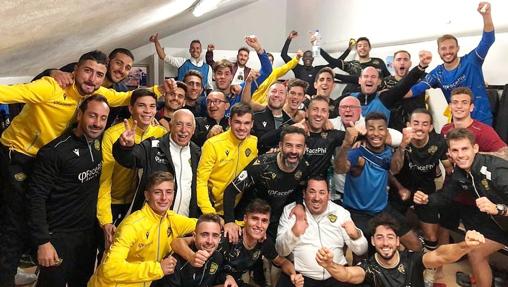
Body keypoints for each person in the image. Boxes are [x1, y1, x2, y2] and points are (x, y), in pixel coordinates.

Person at [0, 50, 167, 286]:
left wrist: (160, 90)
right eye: (88, 71)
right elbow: (9, 92)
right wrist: (50, 73)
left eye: (99, 74)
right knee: (15, 225)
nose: (92, 79)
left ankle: (24, 261)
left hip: (46, 159)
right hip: (16, 154)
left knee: (34, 219)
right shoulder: (51, 87)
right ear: (75, 70)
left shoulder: (96, 94)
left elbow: (124, 98)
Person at [25, 95, 109, 286]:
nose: (97, 123)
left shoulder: (97, 143)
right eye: (92, 116)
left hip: (86, 237)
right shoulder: (54, 152)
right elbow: (35, 198)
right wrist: (43, 242)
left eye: (103, 118)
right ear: (79, 115)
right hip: (58, 238)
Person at [414, 128, 508, 287]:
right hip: (499, 223)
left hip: (501, 216)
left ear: (475, 148)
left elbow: (498, 207)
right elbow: (446, 196)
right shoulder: (460, 171)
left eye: (465, 149)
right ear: (449, 153)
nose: (461, 155)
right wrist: (426, 199)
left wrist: (498, 208)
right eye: (455, 150)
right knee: (475, 252)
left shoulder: (496, 170)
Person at [88, 171, 197, 287]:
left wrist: (191, 240)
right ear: (147, 195)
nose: (164, 198)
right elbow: (110, 269)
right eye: (157, 192)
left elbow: (204, 224)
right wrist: (158, 268)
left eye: (169, 192)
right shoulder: (132, 226)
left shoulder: (172, 219)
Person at [315, 213, 487, 286]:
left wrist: (465, 245)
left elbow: (442, 255)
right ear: (373, 242)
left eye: (390, 237)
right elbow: (347, 275)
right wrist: (329, 265)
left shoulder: (413, 259)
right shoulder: (368, 268)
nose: (385, 243)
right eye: (380, 238)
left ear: (398, 241)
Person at [335, 112, 421, 253]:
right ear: (365, 131)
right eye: (371, 128)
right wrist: (346, 144)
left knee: (415, 245)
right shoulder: (358, 153)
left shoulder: (387, 151)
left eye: (380, 128)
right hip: (358, 214)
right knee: (362, 256)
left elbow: (392, 169)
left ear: (386, 132)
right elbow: (340, 169)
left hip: (382, 210)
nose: (376, 133)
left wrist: (403, 146)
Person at [172, 199, 304, 287]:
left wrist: (293, 274)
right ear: (245, 219)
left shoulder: (263, 242)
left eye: (264, 221)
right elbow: (179, 242)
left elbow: (282, 261)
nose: (259, 225)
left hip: (233, 282)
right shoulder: (227, 237)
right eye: (255, 219)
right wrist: (191, 256)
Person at [97, 89, 167, 252]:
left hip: (143, 205)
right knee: (109, 254)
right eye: (142, 106)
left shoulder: (161, 133)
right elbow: (104, 180)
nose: (148, 111)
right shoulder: (113, 134)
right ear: (131, 108)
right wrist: (106, 220)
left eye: (152, 106)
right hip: (114, 203)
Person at [410, 2, 495, 125]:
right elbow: (416, 89)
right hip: (457, 122)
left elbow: (488, 40)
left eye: (451, 47)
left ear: (457, 48)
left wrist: (486, 15)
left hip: (481, 121)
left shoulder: (472, 61)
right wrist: (390, 94)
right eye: (443, 49)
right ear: (438, 51)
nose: (448, 52)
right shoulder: (437, 73)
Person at [276, 177, 368, 287]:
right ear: (304, 194)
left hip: (337, 274)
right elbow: (280, 251)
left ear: (328, 195)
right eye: (312, 192)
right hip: (302, 277)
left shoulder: (341, 213)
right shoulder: (291, 211)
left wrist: (356, 236)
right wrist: (293, 233)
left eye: (322, 193)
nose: (317, 198)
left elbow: (361, 250)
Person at [223, 126, 309, 241]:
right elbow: (230, 190)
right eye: (289, 145)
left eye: (298, 146)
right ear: (280, 146)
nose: (293, 151)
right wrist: (229, 222)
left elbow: (299, 187)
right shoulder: (261, 165)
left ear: (304, 149)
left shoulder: (304, 166)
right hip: (248, 220)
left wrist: (299, 203)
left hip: (274, 221)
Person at [113, 109, 200, 217]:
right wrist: (125, 147)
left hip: (183, 226)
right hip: (150, 225)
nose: (184, 130)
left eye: (188, 125)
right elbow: (128, 159)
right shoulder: (152, 146)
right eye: (179, 124)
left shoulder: (197, 153)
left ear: (194, 129)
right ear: (170, 125)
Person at [32, 48, 135, 127]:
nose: (122, 70)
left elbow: (130, 113)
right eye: (118, 63)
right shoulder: (75, 70)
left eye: (127, 68)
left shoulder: (121, 90)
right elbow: (38, 84)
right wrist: (52, 72)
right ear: (108, 62)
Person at [196, 103, 258, 215]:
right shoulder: (212, 144)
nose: (242, 128)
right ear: (229, 122)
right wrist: (208, 212)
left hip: (239, 210)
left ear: (252, 124)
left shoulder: (254, 143)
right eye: (237, 122)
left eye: (246, 123)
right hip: (212, 210)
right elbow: (201, 181)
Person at [152, 214, 238, 287]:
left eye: (215, 235)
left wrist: (228, 277)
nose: (210, 241)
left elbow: (217, 277)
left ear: (219, 238)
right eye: (204, 235)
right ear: (194, 236)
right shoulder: (174, 262)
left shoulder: (218, 257)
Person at [350, 50, 431, 122]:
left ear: (410, 63)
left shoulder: (423, 77)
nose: (402, 62)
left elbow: (404, 87)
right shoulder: (383, 82)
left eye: (405, 59)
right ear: (393, 64)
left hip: (419, 124)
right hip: (392, 126)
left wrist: (422, 65)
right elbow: (366, 92)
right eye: (398, 59)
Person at [441, 87, 507, 159]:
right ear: (450, 107)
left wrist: (474, 155)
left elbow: (506, 154)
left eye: (464, 103)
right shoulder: (445, 129)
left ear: (471, 107)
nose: (459, 106)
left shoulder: (483, 131)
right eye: (455, 102)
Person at [320, 37, 390, 96]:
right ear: (356, 49)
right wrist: (316, 46)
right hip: (353, 98)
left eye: (365, 45)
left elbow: (389, 78)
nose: (362, 48)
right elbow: (332, 60)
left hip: (375, 99)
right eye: (359, 46)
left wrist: (386, 90)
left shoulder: (379, 62)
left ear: (370, 48)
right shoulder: (352, 65)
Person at [300, 96, 345, 177]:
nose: (319, 114)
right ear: (306, 112)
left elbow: (354, 136)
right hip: (295, 187)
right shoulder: (295, 133)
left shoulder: (332, 135)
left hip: (319, 187)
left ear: (328, 115)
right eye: (315, 109)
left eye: (324, 111)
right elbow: (270, 140)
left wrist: (359, 137)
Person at [281, 30, 336, 96]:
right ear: (302, 58)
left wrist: (315, 45)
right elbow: (283, 55)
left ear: (313, 59)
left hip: (314, 99)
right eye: (306, 57)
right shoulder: (297, 68)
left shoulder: (317, 70)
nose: (308, 59)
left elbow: (334, 63)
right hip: (300, 99)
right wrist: (289, 39)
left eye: (310, 57)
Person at [249, 82, 294, 153]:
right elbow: (258, 143)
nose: (277, 95)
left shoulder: (291, 123)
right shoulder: (254, 117)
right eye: (274, 91)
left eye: (281, 92)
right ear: (267, 94)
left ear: (286, 97)